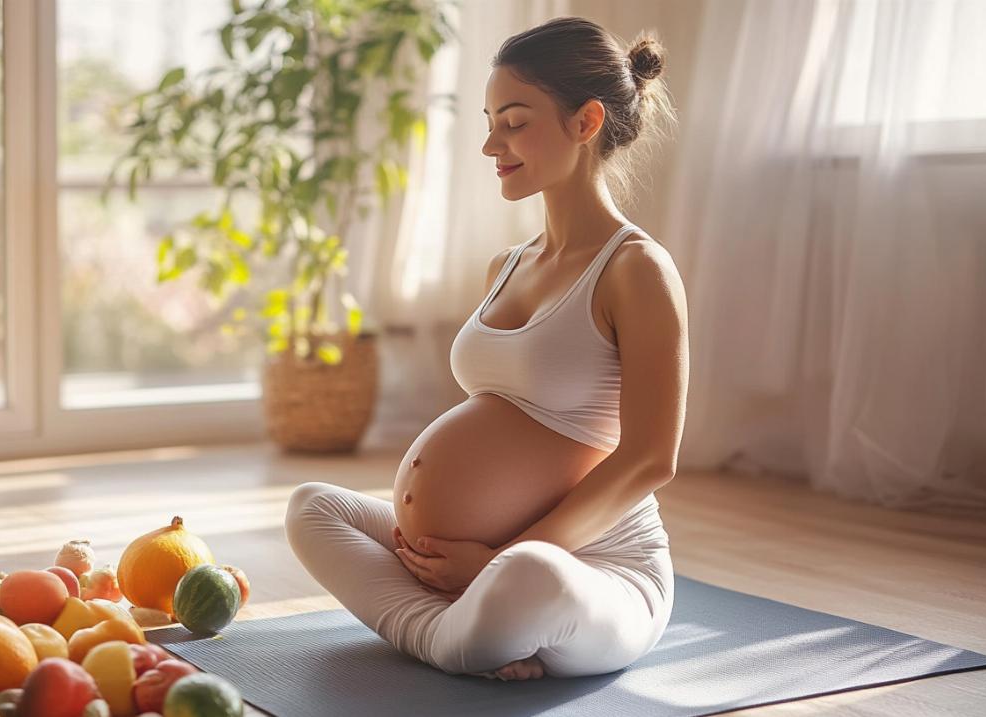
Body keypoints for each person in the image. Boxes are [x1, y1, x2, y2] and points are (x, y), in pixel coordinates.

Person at [285, 16, 687, 682]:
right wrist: (463, 551)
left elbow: (651, 459)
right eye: (490, 119)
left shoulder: (636, 269)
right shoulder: (507, 263)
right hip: (471, 565)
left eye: (514, 121)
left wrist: (503, 556)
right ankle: (463, 634)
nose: (490, 143)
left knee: (526, 579)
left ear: (585, 123)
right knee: (313, 507)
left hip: (592, 565)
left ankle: (462, 629)